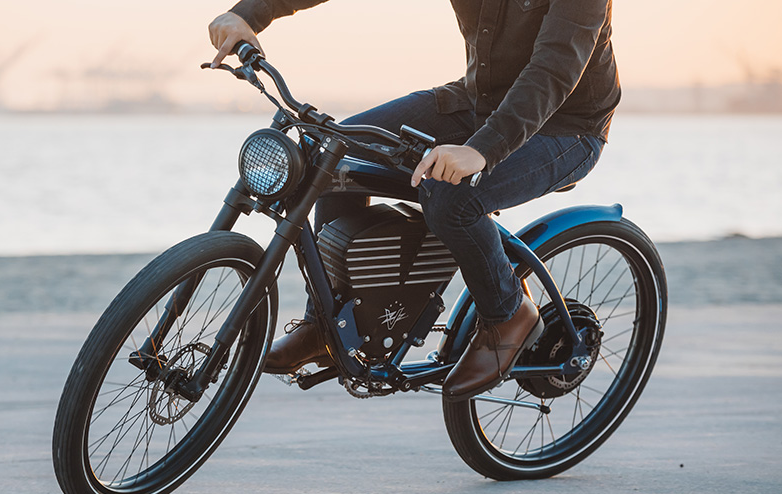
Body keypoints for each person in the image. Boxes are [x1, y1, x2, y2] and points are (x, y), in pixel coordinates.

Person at [208, 0, 620, 401]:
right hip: (478, 102)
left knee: (450, 196)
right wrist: (248, 14)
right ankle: (328, 324)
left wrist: (482, 150)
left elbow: (554, 68)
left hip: (566, 127)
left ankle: (508, 313)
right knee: (336, 155)